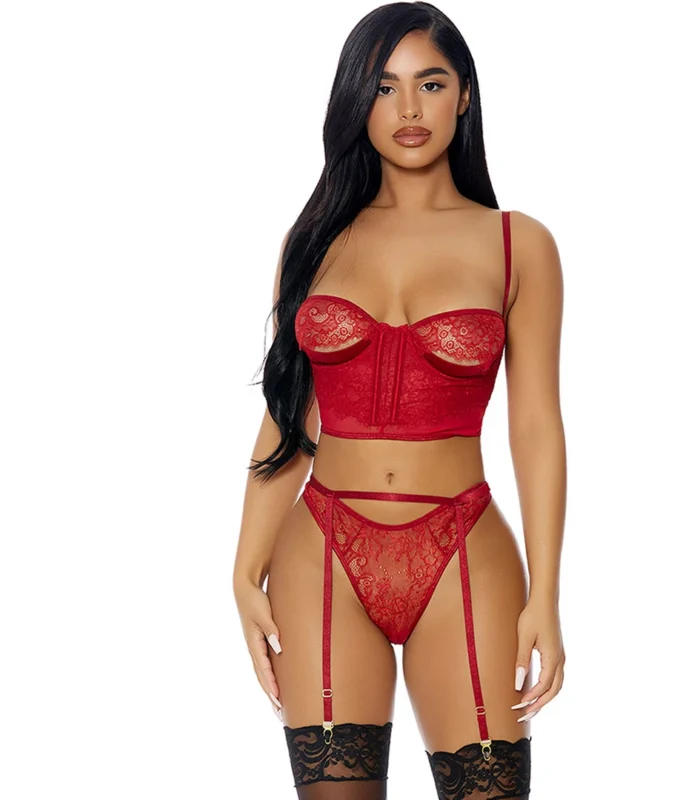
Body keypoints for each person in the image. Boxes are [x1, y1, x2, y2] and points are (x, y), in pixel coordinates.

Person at [233, 3, 566, 798]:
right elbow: (288, 416)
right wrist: (244, 570)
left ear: (465, 95)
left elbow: (535, 426)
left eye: (431, 83)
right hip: (321, 548)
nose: (409, 109)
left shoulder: (519, 243)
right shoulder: (313, 240)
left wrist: (547, 595)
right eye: (384, 88)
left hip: (464, 549)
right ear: (358, 99)